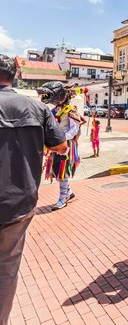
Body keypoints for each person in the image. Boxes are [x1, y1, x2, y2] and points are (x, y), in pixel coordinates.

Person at [0, 54, 68, 324]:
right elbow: (60, 146)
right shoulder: (37, 108)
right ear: (15, 74)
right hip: (19, 202)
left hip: (19, 202)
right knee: (7, 269)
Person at [36, 81, 86, 211]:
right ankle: (68, 192)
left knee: (62, 170)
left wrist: (62, 138)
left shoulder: (71, 110)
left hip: (66, 145)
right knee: (56, 169)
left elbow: (74, 129)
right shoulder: (54, 110)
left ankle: (63, 197)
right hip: (57, 144)